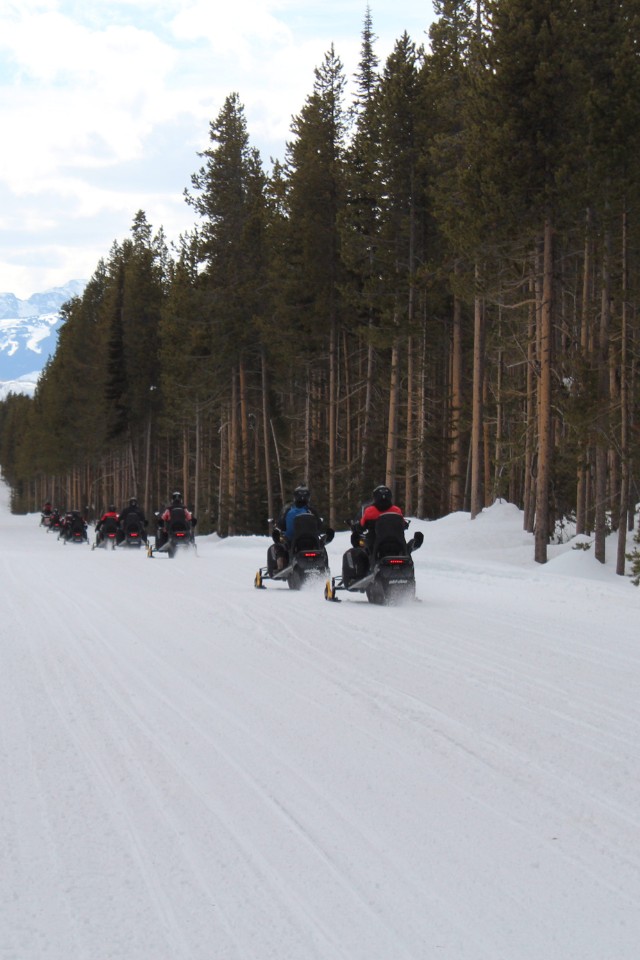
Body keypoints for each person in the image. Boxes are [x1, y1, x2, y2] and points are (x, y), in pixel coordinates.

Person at [267, 484, 323, 575]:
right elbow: (319, 526)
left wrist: (277, 529)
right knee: (321, 547)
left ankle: (280, 566)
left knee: (279, 546)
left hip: (292, 541)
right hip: (312, 541)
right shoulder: (311, 511)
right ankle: (323, 566)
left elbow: (282, 525)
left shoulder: (288, 510)